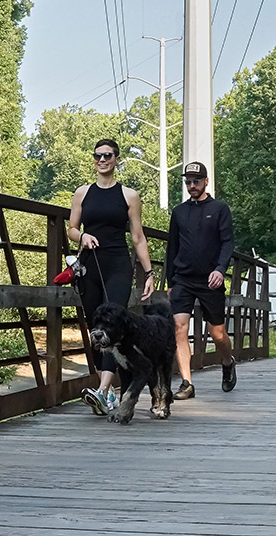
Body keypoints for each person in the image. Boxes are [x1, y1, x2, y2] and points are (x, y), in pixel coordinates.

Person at [69, 138, 156, 415]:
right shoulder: (82, 192)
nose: (102, 160)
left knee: (112, 323)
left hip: (118, 264)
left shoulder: (129, 195)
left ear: (117, 159)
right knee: (94, 326)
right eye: (98, 156)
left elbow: (138, 237)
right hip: (89, 265)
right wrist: (83, 235)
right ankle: (105, 392)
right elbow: (70, 228)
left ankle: (104, 390)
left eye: (107, 155)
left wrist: (149, 272)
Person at [167, 161, 237, 400]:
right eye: (188, 181)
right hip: (183, 278)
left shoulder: (219, 209)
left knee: (217, 334)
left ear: (206, 181)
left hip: (211, 279)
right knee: (179, 328)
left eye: (196, 181)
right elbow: (172, 247)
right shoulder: (178, 212)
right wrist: (170, 282)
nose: (192, 185)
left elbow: (227, 243)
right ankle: (186, 382)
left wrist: (220, 269)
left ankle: (227, 362)